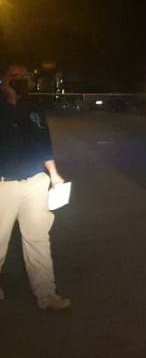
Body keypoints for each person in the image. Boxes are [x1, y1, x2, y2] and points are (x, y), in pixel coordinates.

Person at [0, 64, 71, 310]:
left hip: (35, 181)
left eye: (25, 76)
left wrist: (54, 174)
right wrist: (9, 100)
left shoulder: (34, 108)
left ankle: (46, 294)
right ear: (5, 79)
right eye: (16, 77)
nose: (22, 80)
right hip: (4, 183)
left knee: (38, 239)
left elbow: (43, 143)